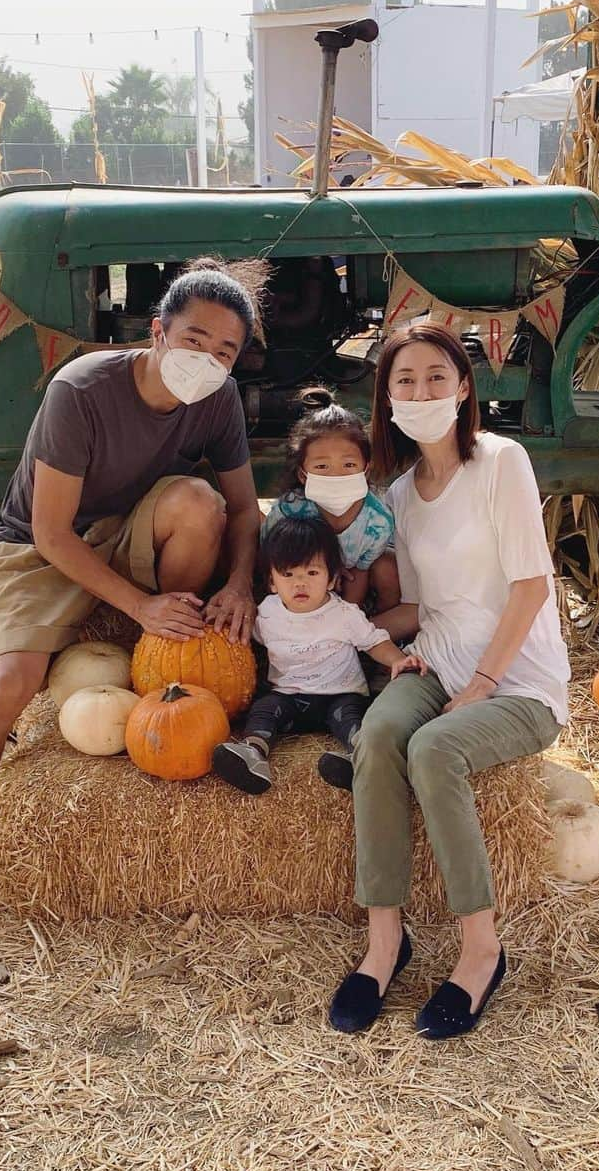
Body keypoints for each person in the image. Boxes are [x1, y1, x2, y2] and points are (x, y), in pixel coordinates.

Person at [0, 258, 264, 955]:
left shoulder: (218, 399)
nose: (207, 359)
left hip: (130, 530)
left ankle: (143, 665)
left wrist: (240, 584)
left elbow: (243, 509)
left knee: (198, 505)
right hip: (40, 547)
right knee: (5, 685)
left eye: (225, 350)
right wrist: (144, 604)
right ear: (157, 331)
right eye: (194, 339)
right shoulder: (82, 390)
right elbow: (54, 533)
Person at [327, 322, 570, 1040]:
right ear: (388, 397)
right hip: (435, 658)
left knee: (434, 749)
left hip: (517, 679)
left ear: (464, 388)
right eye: (405, 380)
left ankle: (480, 952)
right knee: (378, 735)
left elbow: (531, 586)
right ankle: (384, 943)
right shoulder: (397, 493)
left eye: (437, 376)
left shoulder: (501, 462)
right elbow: (419, 606)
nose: (421, 391)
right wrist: (338, 615)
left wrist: (485, 681)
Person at [212, 516, 424, 795]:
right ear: (272, 581)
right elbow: (237, 637)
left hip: (340, 694)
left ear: (332, 579)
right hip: (289, 697)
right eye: (288, 574)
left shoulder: (344, 614)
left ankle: (361, 757)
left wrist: (397, 660)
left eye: (312, 573)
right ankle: (253, 753)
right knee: (264, 710)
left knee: (352, 718)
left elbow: (373, 642)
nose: (300, 583)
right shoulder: (266, 613)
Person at [261, 393, 399, 610]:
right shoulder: (287, 512)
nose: (336, 476)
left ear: (366, 469)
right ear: (303, 475)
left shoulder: (378, 522)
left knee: (387, 568)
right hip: (296, 587)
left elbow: (359, 573)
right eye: (322, 467)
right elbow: (272, 565)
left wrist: (342, 618)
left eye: (349, 465)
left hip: (347, 587)